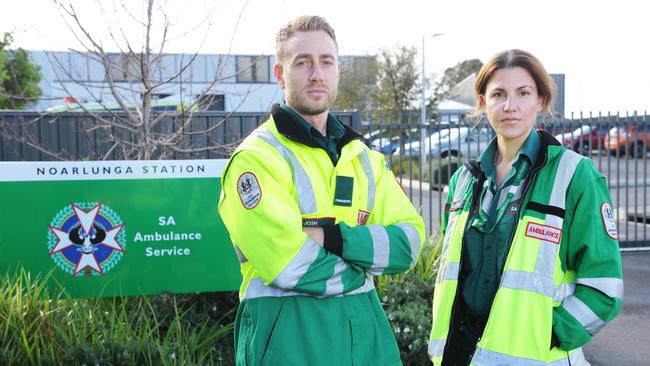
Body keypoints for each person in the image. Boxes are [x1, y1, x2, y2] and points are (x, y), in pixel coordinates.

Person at [218, 15, 425, 366]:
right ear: (280, 74)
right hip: (289, 347)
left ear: (338, 70)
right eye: (303, 62)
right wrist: (362, 266)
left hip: (367, 344)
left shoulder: (364, 158)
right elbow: (289, 265)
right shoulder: (257, 159)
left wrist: (332, 239)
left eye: (326, 61)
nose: (317, 73)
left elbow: (409, 243)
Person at [428, 49, 623, 365]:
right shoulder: (463, 180)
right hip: (463, 353)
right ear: (482, 103)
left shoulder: (575, 175)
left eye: (523, 93)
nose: (510, 106)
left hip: (538, 356)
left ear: (541, 101)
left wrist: (550, 334)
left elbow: (604, 287)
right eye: (498, 94)